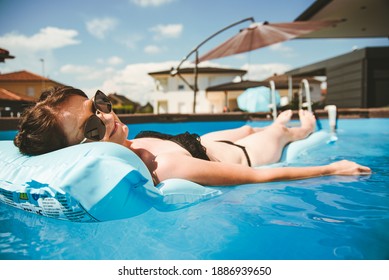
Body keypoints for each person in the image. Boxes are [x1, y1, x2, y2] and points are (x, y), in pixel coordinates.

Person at [14, 86, 371, 186]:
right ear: (81, 151)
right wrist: (331, 168)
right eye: (93, 127)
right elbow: (260, 176)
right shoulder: (167, 167)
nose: (107, 116)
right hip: (244, 155)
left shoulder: (125, 143)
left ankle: (269, 122)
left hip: (204, 142)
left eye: (100, 104)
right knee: (280, 131)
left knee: (247, 125)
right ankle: (297, 125)